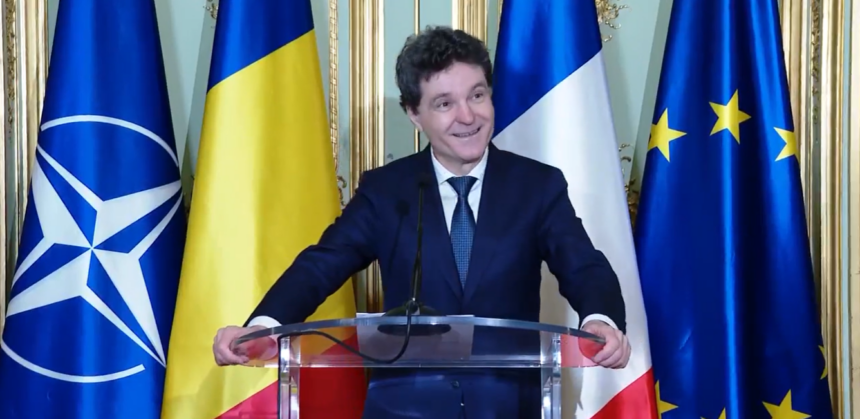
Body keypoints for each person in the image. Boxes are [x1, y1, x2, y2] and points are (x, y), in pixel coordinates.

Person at [212, 26, 631, 419]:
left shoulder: (537, 185)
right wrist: (263, 327)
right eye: (444, 104)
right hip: (405, 407)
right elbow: (322, 265)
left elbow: (583, 266)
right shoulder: (386, 190)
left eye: (477, 95)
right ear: (414, 114)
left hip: (507, 404)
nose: (467, 116)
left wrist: (601, 320)